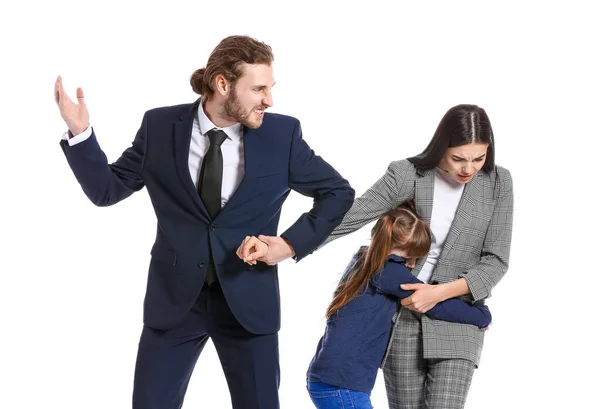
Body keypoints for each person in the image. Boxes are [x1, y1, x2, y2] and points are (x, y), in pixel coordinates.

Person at [54, 35, 355, 409]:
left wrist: (288, 245)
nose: (269, 100)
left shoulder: (282, 135)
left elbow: (338, 193)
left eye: (270, 88)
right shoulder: (160, 126)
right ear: (222, 84)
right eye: (258, 89)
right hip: (175, 304)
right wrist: (81, 133)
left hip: (248, 304)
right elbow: (107, 190)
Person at [321, 104, 514, 409]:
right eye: (458, 159)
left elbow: (496, 259)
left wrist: (439, 293)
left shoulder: (499, 183)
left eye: (479, 158)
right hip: (403, 317)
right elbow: (352, 216)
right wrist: (285, 245)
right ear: (441, 148)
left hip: (457, 313)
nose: (469, 169)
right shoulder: (408, 173)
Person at [306, 205, 491, 409]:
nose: (411, 265)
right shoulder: (388, 270)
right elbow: (432, 304)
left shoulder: (363, 260)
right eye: (408, 258)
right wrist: (480, 315)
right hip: (342, 384)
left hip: (326, 377)